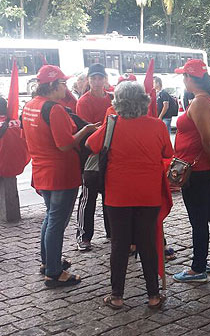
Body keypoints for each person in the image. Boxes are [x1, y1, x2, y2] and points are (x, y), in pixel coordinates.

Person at [86, 81, 171, 310]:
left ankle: (117, 296)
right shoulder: (158, 126)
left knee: (119, 245)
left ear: (118, 103)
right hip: (148, 193)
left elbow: (90, 144)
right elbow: (168, 153)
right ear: (144, 101)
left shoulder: (112, 125)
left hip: (118, 195)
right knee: (147, 244)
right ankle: (153, 295)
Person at [21, 65, 97, 287]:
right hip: (60, 172)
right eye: (63, 83)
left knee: (51, 217)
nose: (66, 87)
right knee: (57, 220)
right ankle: (53, 272)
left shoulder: (30, 106)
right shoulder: (54, 109)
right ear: (53, 85)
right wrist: (86, 130)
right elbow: (65, 145)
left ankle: (49, 262)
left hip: (42, 171)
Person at [172, 59, 210, 282]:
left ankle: (198, 267)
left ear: (190, 78)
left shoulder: (200, 103)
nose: (183, 80)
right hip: (207, 167)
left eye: (184, 76)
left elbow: (207, 139)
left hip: (199, 169)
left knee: (199, 218)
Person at [75, 63, 112, 251]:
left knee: (109, 195)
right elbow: (86, 129)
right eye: (93, 78)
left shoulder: (111, 99)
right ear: (89, 80)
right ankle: (84, 236)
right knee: (88, 197)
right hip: (91, 154)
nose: (97, 82)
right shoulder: (84, 101)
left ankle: (111, 231)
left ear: (105, 79)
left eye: (100, 78)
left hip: (109, 154)